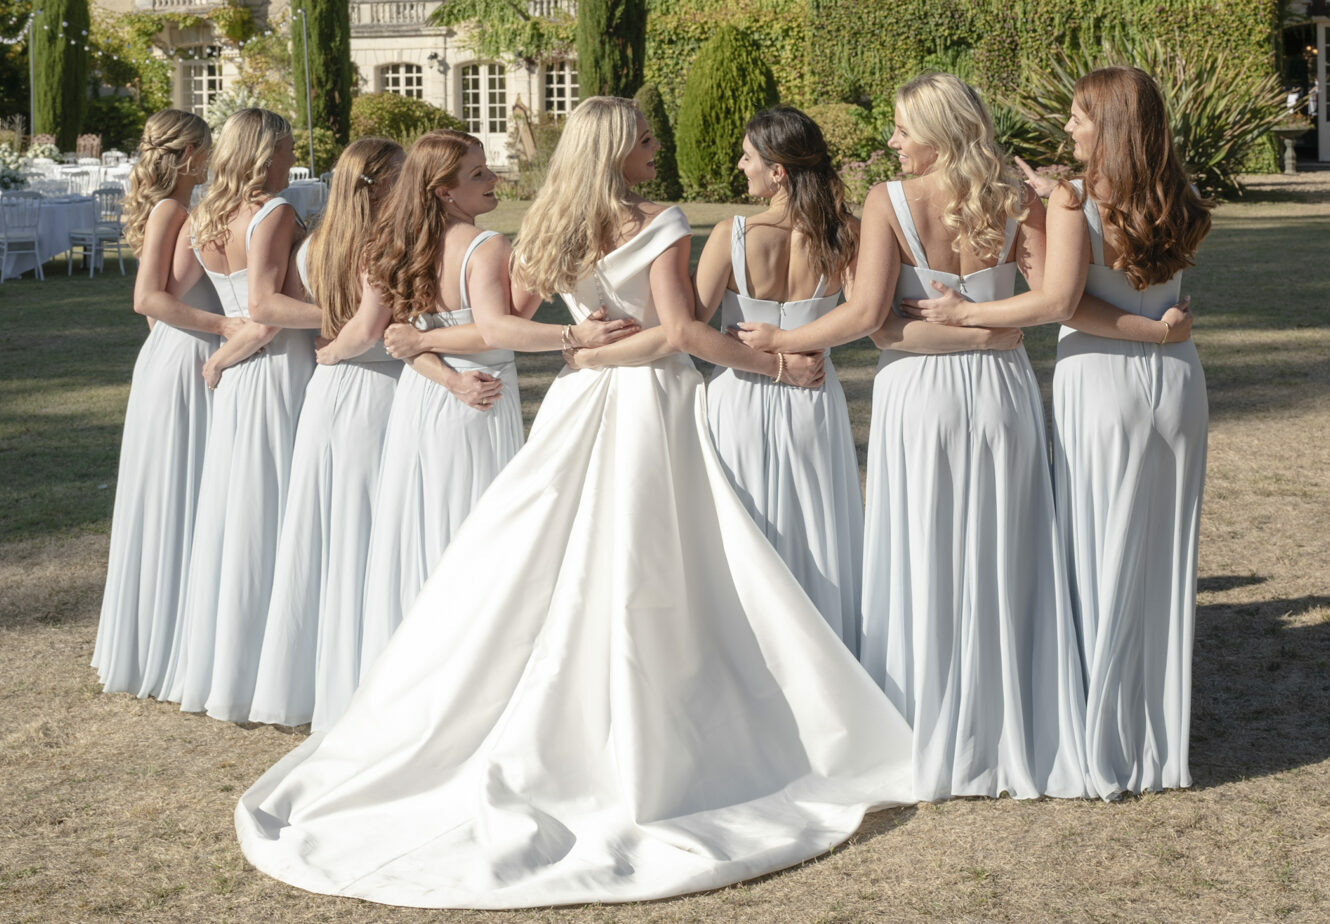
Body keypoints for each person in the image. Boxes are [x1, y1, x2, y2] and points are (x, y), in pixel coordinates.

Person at [236, 96, 914, 909]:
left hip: (580, 396)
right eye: (647, 140)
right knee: (659, 562)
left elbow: (495, 322)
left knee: (567, 556)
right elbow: (677, 334)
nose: (657, 149)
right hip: (646, 403)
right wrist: (766, 367)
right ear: (619, 150)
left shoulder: (552, 224)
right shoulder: (657, 221)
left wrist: (543, 344)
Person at [740, 73, 1091, 801]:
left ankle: (918, 723)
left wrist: (788, 336)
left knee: (921, 549)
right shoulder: (1014, 197)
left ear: (938, 133)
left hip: (917, 395)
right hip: (1002, 390)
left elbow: (870, 315)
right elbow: (1042, 301)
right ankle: (1011, 723)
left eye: (902, 130)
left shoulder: (888, 203)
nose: (891, 141)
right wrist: (986, 329)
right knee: (1003, 550)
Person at [353, 129, 633, 667]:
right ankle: (465, 664)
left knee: (423, 527)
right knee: (476, 531)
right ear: (442, 191)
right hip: (476, 402)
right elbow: (496, 329)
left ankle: (412, 664)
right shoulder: (485, 247)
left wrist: (438, 368)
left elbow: (403, 339)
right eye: (478, 174)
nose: (493, 180)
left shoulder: (394, 245)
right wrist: (573, 337)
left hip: (422, 400)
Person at [1037, 67, 1210, 797]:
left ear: (1107, 124)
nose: (1070, 128)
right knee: (1163, 556)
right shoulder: (1184, 195)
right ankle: (1157, 743)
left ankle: (1098, 738)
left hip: (1103, 379)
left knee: (1097, 550)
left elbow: (1066, 305)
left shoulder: (1074, 200)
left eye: (1080, 117)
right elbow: (1164, 298)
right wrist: (1163, 332)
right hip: (1178, 380)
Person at [160, 109, 318, 720]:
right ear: (264, 153)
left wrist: (221, 353)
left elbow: (169, 295)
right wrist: (345, 319)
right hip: (277, 365)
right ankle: (273, 667)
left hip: (240, 379)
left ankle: (225, 665)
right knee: (276, 509)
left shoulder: (202, 217)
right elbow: (265, 307)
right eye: (286, 147)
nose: (291, 158)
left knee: (235, 510)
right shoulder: (273, 212)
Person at [246, 138, 406, 730]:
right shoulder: (381, 243)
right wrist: (340, 346)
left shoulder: (315, 243)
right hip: (373, 388)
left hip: (326, 393)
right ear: (382, 184)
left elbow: (279, 306)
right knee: (369, 530)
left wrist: (330, 348)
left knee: (325, 529)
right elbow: (368, 328)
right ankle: (364, 673)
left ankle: (318, 676)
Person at [691, 105, 861, 650]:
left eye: (748, 157)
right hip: (814, 391)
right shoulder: (847, 234)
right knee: (817, 528)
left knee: (745, 531)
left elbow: (693, 327)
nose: (741, 166)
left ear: (778, 170)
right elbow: (862, 314)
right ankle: (823, 652)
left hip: (739, 396)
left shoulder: (731, 234)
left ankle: (745, 657)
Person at [94, 110, 245, 699]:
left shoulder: (182, 210)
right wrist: (225, 323)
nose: (215, 157)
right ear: (189, 157)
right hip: (183, 360)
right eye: (208, 148)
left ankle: (176, 634)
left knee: (183, 491)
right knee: (179, 493)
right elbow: (150, 298)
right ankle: (169, 641)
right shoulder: (175, 212)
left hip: (176, 355)